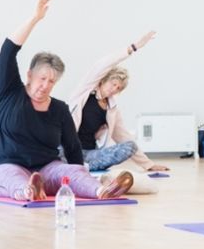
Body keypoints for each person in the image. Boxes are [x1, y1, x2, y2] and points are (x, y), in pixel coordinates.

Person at [0, 0, 133, 201]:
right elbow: (7, 53)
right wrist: (35, 18)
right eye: (42, 78)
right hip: (5, 165)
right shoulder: (10, 93)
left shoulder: (59, 109)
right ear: (29, 75)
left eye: (51, 81)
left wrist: (80, 174)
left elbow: (73, 148)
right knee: (12, 177)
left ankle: (101, 191)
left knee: (69, 172)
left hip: (47, 169)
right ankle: (28, 191)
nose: (45, 86)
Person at [67, 30, 169, 172]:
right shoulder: (84, 91)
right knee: (61, 153)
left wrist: (149, 165)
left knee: (129, 146)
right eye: (113, 83)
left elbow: (123, 136)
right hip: (68, 150)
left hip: (90, 154)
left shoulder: (111, 109)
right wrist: (133, 48)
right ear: (103, 80)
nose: (114, 89)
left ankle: (85, 167)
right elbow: (102, 65)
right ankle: (75, 166)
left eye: (118, 87)